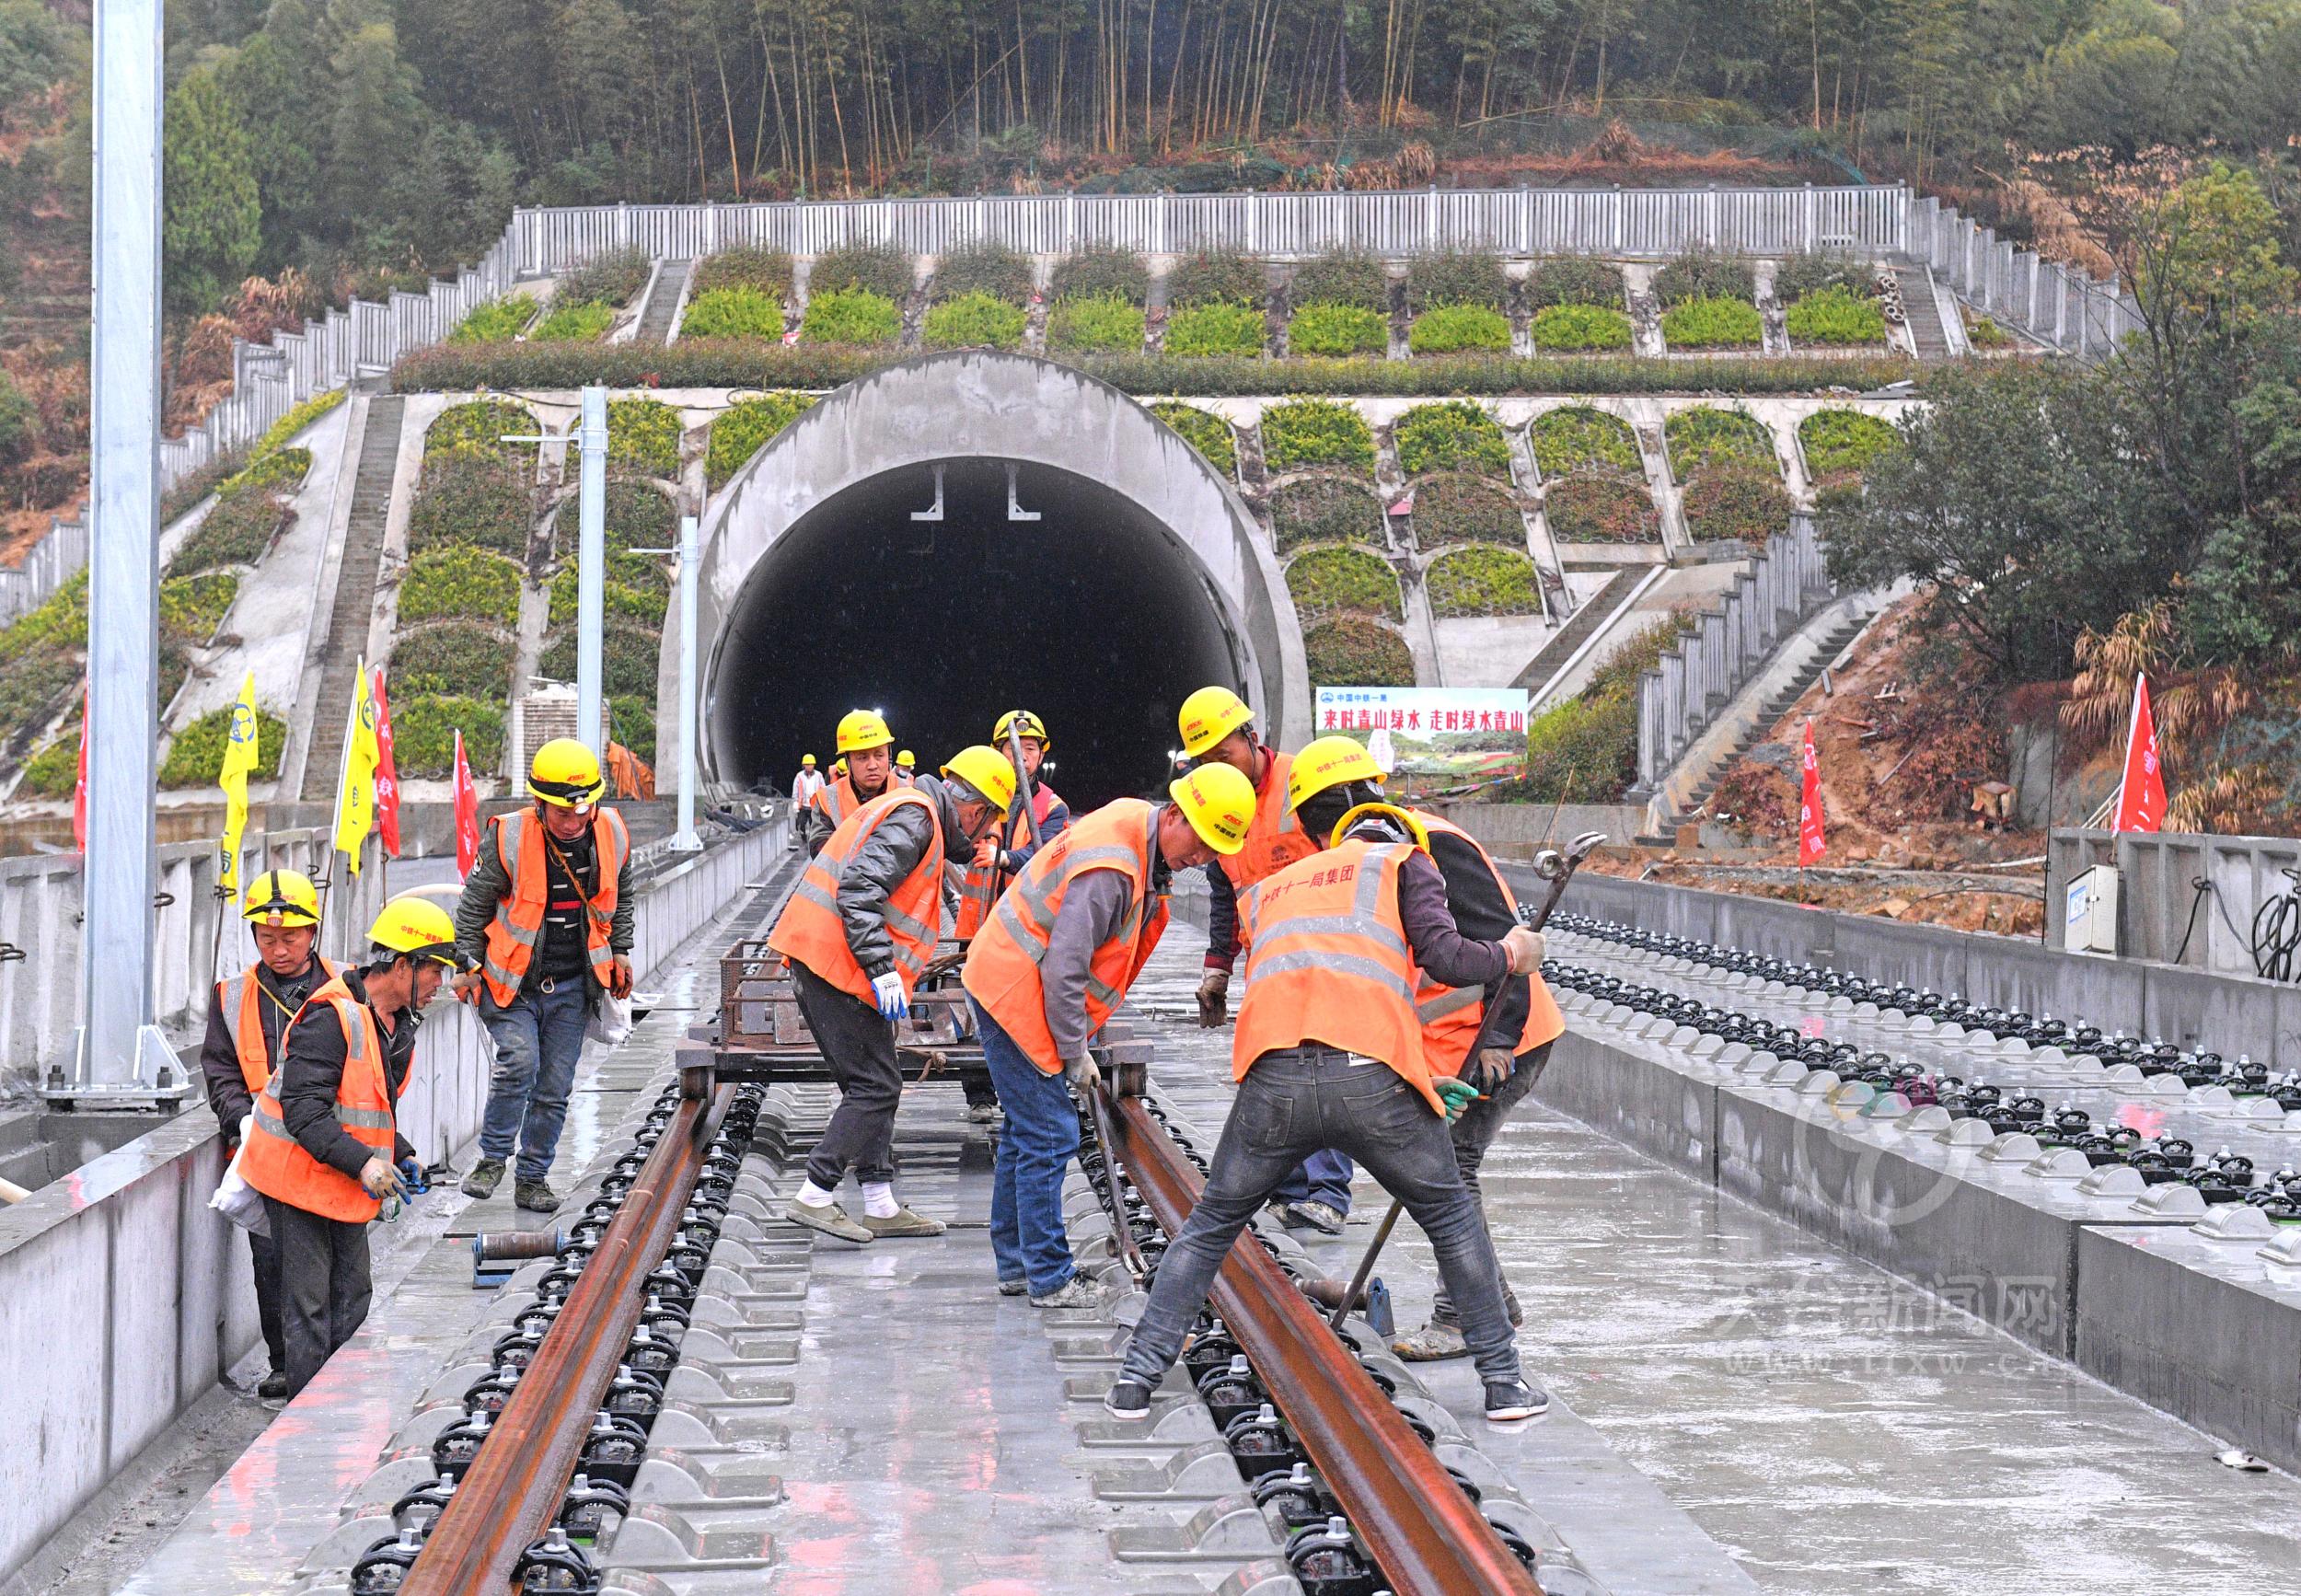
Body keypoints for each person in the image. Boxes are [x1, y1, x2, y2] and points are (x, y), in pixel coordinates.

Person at [1103, 801, 1550, 1428]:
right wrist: (1511, 953)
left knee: (1209, 1227)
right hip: (1370, 1081)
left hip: (1272, 1079)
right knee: (1450, 1214)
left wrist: (1422, 1077)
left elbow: (1324, 990)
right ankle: (1504, 1386)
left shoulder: (1276, 888)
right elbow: (1446, 959)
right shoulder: (1404, 862)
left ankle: (1135, 1380)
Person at [1281, 736, 1567, 1361]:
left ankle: (1464, 1316)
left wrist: (1497, 1039)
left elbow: (1505, 942)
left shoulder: (1433, 846)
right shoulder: (1372, 856)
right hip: (1441, 1042)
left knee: (1446, 1171)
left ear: (1356, 802)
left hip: (1500, 1035)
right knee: (1436, 1169)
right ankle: (1489, 1301)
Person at [962, 763, 1255, 1306]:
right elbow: (1064, 968)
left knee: (1028, 1128)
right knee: (1050, 1132)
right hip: (1015, 990)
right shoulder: (1114, 868)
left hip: (1013, 981)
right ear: (1173, 814)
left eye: (1216, 851)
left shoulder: (1136, 828)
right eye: (1201, 841)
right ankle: (1048, 1277)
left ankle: (1017, 1264)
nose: (1202, 859)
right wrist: (1074, 1052)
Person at [767, 746, 1015, 1243]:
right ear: (972, 805)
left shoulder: (915, 813)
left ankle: (879, 1202)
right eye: (986, 822)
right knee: (876, 1087)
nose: (984, 832)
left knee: (874, 1083)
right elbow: (859, 889)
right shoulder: (916, 818)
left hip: (836, 964)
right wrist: (882, 968)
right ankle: (816, 1193)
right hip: (838, 966)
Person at [238, 896, 463, 1397]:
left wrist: (399, 1151)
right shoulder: (329, 1017)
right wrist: (364, 1164)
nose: (438, 986)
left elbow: (366, 1106)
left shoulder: (394, 1023)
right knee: (309, 1305)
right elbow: (304, 1112)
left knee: (352, 1296)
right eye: (435, 973)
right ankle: (306, 1417)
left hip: (338, 1180)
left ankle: (338, 1405)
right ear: (404, 966)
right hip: (296, 1181)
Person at [1174, 686, 1345, 1234]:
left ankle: (1327, 1194)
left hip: (1326, 960)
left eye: (1224, 756)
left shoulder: (1305, 784)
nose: (1217, 769)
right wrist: (1216, 969)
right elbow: (1226, 889)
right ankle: (1290, 1187)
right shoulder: (1218, 799)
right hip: (1266, 966)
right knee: (1273, 1073)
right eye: (1205, 762)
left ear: (1252, 739)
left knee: (1323, 1073)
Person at [454, 738, 634, 1212]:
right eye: (562, 815)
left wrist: (622, 951)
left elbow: (624, 896)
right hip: (511, 985)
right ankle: (493, 1158)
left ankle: (532, 1178)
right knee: (519, 1063)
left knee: (554, 1086)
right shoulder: (509, 837)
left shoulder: (611, 832)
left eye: (582, 812)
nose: (573, 824)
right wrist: (467, 965)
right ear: (540, 804)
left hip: (574, 985)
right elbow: (472, 908)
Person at [199, 870, 338, 1403]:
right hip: (264, 1152)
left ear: (312, 933)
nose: (278, 948)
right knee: (272, 1259)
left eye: (290, 937)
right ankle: (286, 1362)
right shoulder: (232, 996)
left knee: (337, 1257)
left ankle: (332, 1359)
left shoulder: (344, 986)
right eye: (266, 938)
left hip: (330, 1146)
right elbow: (221, 1071)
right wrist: (239, 1117)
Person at [953, 710, 1074, 1123]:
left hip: (1026, 929)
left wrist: (1004, 857)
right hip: (981, 922)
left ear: (1041, 755)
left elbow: (1050, 857)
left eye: (1030, 749)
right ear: (996, 752)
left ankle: (1022, 1091)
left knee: (1019, 1012)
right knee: (975, 1014)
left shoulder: (1053, 807)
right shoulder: (976, 798)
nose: (1021, 757)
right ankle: (980, 1094)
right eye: (1012, 748)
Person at [803, 711, 898, 855]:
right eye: (862, 757)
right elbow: (821, 853)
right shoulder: (828, 799)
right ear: (848, 762)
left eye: (879, 755)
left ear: (889, 756)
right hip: (847, 878)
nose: (872, 765)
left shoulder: (907, 792)